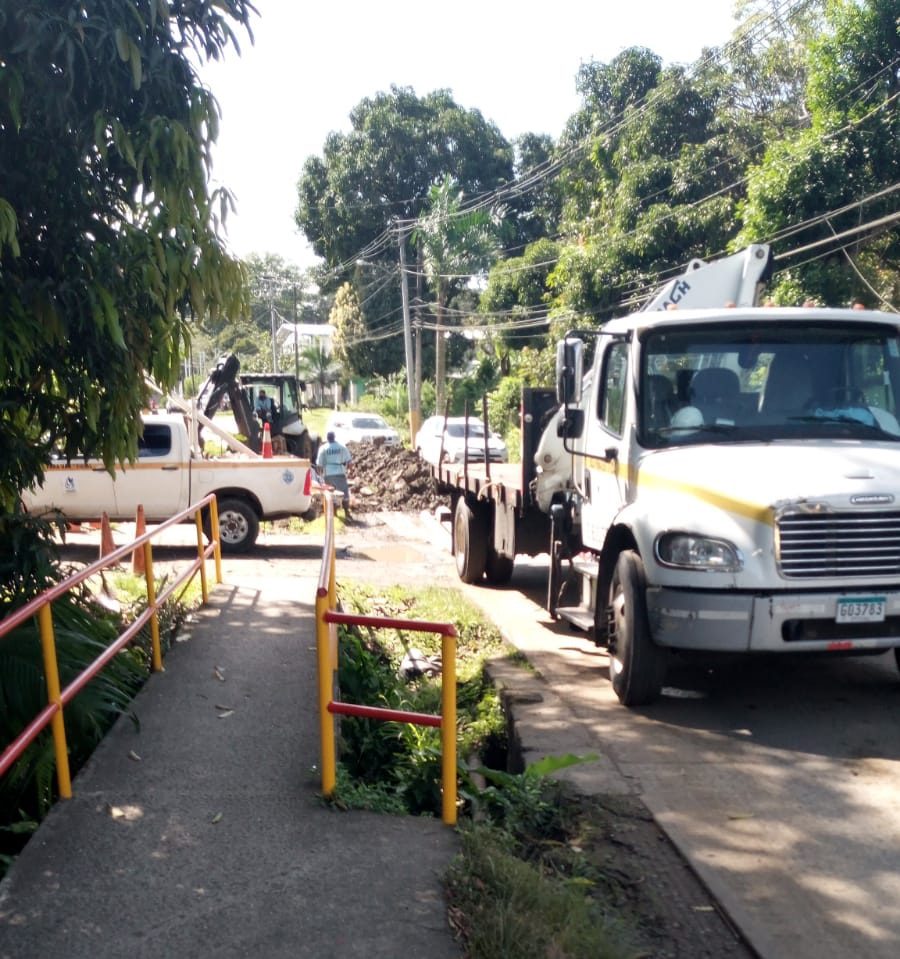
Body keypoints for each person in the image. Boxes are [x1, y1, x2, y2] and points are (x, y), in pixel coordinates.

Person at [316, 430, 352, 516]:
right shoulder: (342, 447)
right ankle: (347, 511)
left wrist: (320, 476)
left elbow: (319, 465)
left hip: (328, 474)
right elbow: (349, 462)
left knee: (331, 493)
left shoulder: (323, 448)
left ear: (327, 438)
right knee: (344, 492)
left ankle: (334, 512)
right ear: (334, 437)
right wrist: (351, 471)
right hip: (340, 472)